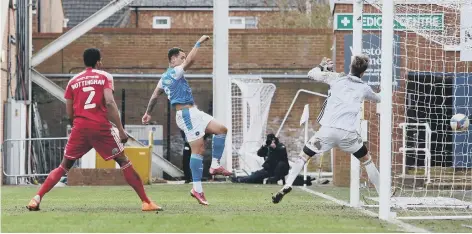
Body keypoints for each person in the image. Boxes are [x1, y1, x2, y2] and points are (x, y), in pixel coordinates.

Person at [26, 48, 162, 212]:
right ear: (98, 62)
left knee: (64, 166)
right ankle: (146, 202)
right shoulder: (105, 76)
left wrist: (78, 125)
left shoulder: (73, 81)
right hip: (100, 127)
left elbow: (69, 111)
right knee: (123, 161)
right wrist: (120, 129)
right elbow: (110, 102)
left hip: (80, 127)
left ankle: (36, 198)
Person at [272, 55, 382, 204]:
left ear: (350, 67)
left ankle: (288, 184)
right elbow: (379, 98)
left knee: (304, 156)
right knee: (367, 160)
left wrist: (321, 66)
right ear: (363, 73)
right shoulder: (364, 88)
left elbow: (311, 73)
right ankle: (383, 195)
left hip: (326, 134)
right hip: (348, 136)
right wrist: (383, 90)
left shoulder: (335, 78)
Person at [142, 35, 231, 206]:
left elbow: (154, 96)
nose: (183, 60)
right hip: (186, 115)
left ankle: (214, 165)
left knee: (222, 130)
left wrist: (148, 113)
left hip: (194, 112)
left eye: (183, 57)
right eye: (181, 57)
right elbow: (190, 61)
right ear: (173, 59)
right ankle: (197, 189)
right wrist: (198, 42)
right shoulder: (175, 71)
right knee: (197, 151)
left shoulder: (163, 78)